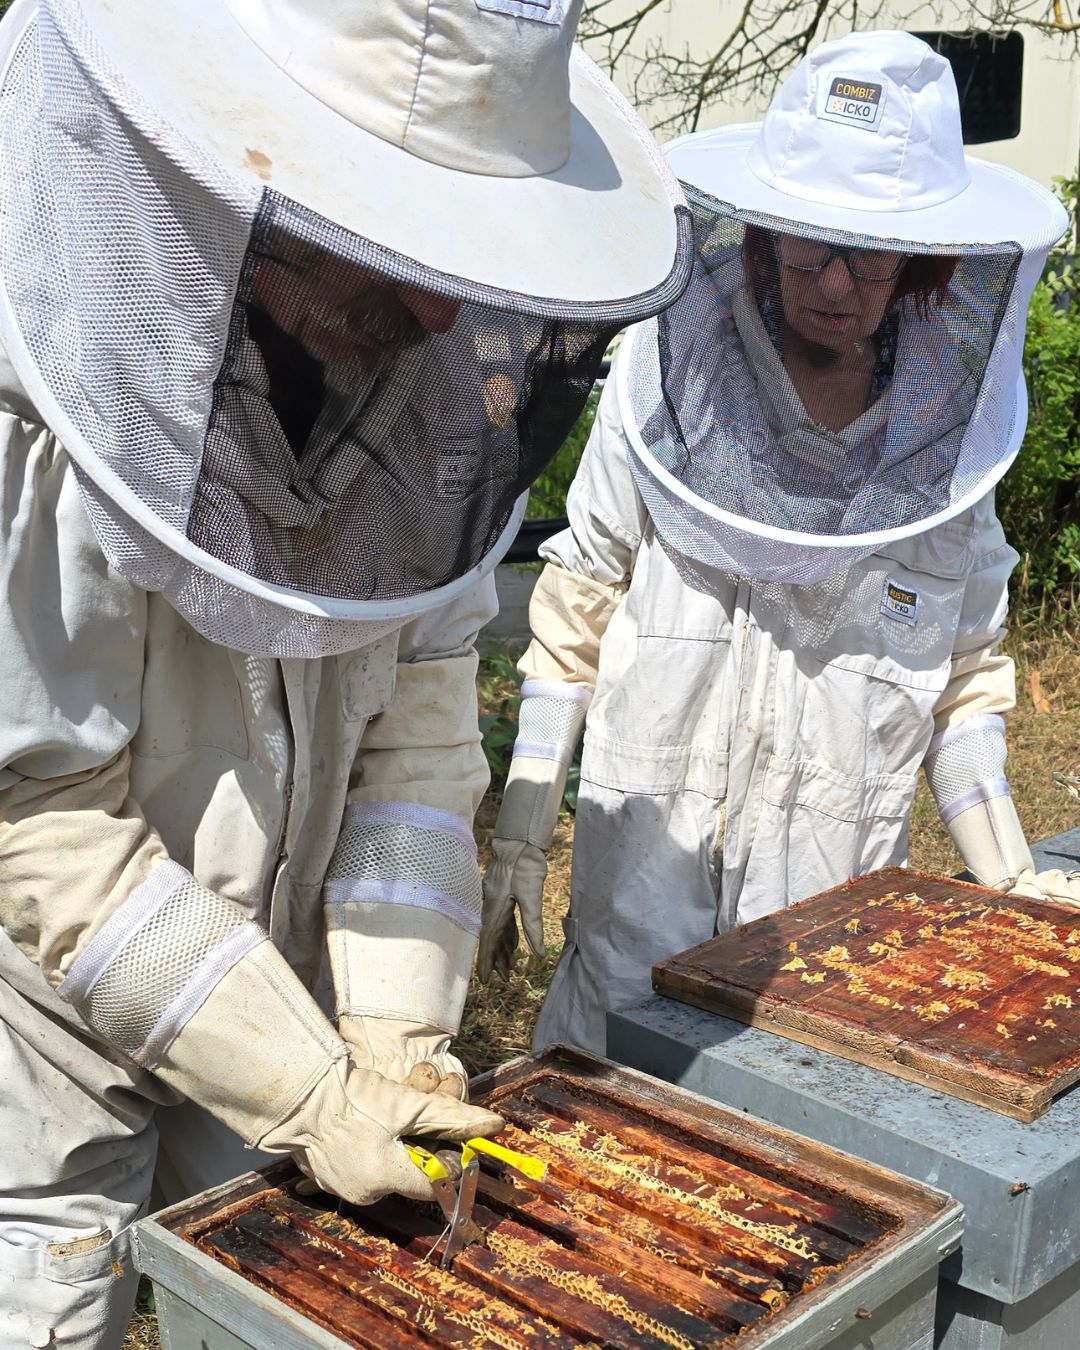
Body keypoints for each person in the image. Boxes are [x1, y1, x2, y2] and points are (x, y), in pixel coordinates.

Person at [0, 0, 692, 1343]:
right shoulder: (40, 399)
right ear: (235, 174)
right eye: (383, 237)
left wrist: (388, 1031)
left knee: (266, 1306)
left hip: (289, 979)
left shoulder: (430, 390)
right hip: (45, 1023)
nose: (439, 304)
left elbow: (419, 739)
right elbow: (42, 815)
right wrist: (306, 1088)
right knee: (50, 1298)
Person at [478, 31, 1080, 1056]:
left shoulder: (951, 445)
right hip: (637, 907)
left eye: (871, 251)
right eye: (808, 241)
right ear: (757, 232)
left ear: (926, 261)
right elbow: (577, 606)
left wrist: (1007, 875)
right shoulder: (667, 389)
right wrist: (522, 831)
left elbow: (965, 678)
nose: (836, 282)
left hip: (826, 941)